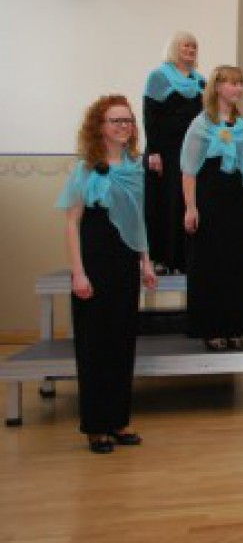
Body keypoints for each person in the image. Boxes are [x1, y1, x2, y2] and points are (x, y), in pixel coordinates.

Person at [57, 95, 158, 454]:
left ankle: (118, 421)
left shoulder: (135, 167)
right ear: (99, 126)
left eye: (127, 120)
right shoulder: (85, 169)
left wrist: (146, 261)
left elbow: (138, 219)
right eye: (116, 121)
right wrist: (78, 273)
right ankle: (96, 426)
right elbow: (72, 223)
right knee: (94, 345)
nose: (123, 126)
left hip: (125, 261)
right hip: (94, 261)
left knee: (121, 342)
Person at [181, 66, 243, 351]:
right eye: (232, 83)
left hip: (239, 200)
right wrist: (191, 207)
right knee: (210, 264)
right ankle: (211, 328)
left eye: (241, 83)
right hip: (210, 200)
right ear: (217, 87)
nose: (238, 89)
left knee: (238, 265)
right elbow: (189, 170)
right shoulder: (200, 125)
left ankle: (234, 326)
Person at [142, 32, 205, 274]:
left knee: (185, 203)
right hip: (164, 152)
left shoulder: (201, 82)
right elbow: (150, 114)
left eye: (193, 46)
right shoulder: (159, 76)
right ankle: (161, 259)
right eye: (185, 46)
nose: (190, 50)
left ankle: (183, 259)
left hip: (191, 152)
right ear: (173, 49)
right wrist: (154, 151)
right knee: (164, 204)